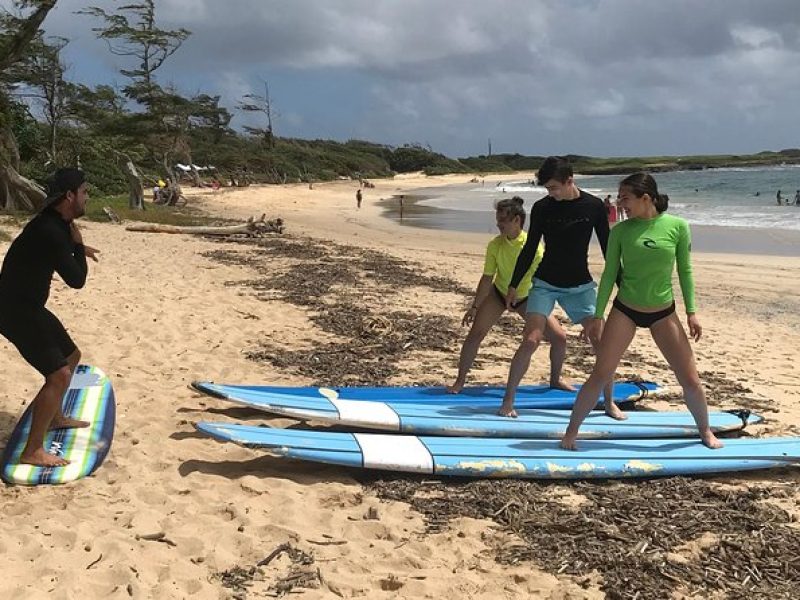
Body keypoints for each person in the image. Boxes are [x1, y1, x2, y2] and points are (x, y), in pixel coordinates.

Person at [560, 172, 722, 450]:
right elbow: (610, 274)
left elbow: (685, 271)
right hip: (626, 310)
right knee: (600, 373)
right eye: (619, 197)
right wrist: (598, 316)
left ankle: (705, 432)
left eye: (625, 198)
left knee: (690, 379)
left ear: (646, 198)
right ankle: (571, 433)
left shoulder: (677, 226)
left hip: (663, 312)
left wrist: (692, 312)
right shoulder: (621, 231)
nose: (620, 204)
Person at [501, 157, 618, 418]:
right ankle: (508, 401)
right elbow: (530, 248)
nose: (550, 193)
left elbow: (609, 249)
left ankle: (609, 403)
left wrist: (621, 285)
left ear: (570, 181)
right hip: (545, 283)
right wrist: (513, 284)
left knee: (601, 341)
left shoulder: (594, 206)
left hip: (580, 285)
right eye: (547, 189)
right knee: (531, 340)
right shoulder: (543, 207)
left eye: (554, 188)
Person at [0, 168, 99, 466]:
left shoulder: (54, 223)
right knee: (58, 375)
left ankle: (55, 418)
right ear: (69, 196)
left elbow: (54, 246)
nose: (87, 197)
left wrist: (77, 246)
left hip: (26, 306)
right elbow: (77, 280)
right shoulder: (53, 230)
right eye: (84, 192)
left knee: (72, 355)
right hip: (14, 310)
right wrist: (79, 246)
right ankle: (32, 451)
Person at [447, 197, 571, 394]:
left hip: (526, 298)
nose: (498, 224)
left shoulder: (534, 248)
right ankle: (460, 380)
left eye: (503, 220)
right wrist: (475, 306)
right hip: (499, 294)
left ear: (516, 220)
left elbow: (540, 281)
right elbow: (487, 278)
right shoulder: (495, 245)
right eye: (498, 219)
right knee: (475, 334)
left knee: (559, 337)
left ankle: (555, 379)